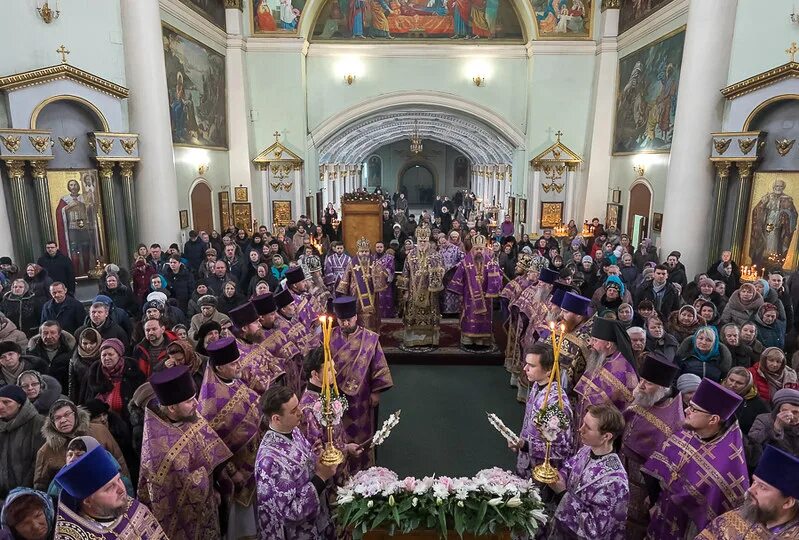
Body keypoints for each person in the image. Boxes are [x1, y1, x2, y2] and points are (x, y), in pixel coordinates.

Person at [642, 377, 749, 538]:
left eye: (694, 409)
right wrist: (656, 502)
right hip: (661, 515)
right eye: (689, 406)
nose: (686, 410)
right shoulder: (685, 434)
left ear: (713, 419)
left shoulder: (728, 464)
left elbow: (716, 515)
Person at [138, 366, 232, 539]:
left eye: (194, 397)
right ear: (172, 408)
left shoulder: (193, 417)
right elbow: (170, 493)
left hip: (209, 507)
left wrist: (217, 485)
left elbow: (213, 449)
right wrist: (206, 481)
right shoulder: (158, 449)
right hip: (182, 520)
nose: (197, 403)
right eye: (189, 401)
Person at [255, 385, 339, 539]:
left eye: (298, 407)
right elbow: (290, 512)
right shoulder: (269, 461)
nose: (300, 413)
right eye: (293, 411)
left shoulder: (294, 431)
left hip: (316, 524)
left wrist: (317, 458)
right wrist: (321, 477)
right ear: (276, 418)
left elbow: (303, 467)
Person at [198, 338, 262, 540]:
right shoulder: (209, 404)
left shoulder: (236, 382)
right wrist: (232, 473)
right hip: (236, 470)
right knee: (243, 523)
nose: (238, 366)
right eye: (233, 363)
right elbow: (213, 445)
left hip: (256, 457)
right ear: (219, 367)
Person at [619, 352, 683, 538]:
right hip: (622, 467)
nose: (642, 385)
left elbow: (669, 464)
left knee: (634, 522)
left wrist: (656, 496)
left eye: (648, 383)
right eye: (642, 380)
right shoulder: (643, 399)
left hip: (644, 481)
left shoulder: (673, 420)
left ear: (662, 388)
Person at [547, 403, 629, 539]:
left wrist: (562, 494)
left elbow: (593, 530)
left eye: (588, 428)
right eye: (583, 423)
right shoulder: (586, 449)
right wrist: (556, 475)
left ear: (606, 436)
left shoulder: (615, 482)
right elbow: (568, 468)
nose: (580, 429)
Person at [329, 297, 393, 471]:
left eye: (348, 319)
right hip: (335, 396)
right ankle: (340, 468)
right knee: (337, 431)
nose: (345, 323)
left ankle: (364, 466)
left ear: (356, 317)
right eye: (342, 320)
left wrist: (376, 392)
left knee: (362, 431)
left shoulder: (369, 339)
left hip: (362, 397)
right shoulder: (329, 335)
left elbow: (378, 366)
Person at [53, 446, 168, 538]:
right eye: (109, 488)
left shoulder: (135, 509)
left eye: (118, 480)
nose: (121, 489)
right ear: (87, 501)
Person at [697, 444, 799, 539]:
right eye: (754, 482)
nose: (750, 489)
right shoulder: (735, 518)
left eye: (762, 487)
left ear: (788, 502)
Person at [33, 398, 128, 492]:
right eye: (57, 418)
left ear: (76, 414)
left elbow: (120, 462)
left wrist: (127, 493)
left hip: (109, 493)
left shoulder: (100, 431)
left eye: (67, 414)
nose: (63, 420)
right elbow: (40, 486)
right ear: (52, 422)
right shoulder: (46, 451)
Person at [510, 342, 573, 480]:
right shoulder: (537, 386)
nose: (525, 368)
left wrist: (526, 445)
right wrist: (519, 444)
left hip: (542, 474)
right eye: (526, 364)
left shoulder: (555, 404)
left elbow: (561, 449)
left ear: (549, 370)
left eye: (532, 366)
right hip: (526, 465)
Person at [573, 317, 639, 426]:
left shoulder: (622, 369)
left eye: (595, 340)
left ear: (608, 344)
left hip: (602, 427)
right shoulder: (598, 359)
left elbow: (612, 406)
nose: (591, 344)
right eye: (591, 339)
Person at [447, 234, 503, 350]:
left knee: (484, 318)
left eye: (481, 249)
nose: (479, 251)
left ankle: (482, 341)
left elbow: (498, 277)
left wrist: (496, 275)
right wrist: (459, 292)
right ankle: (468, 339)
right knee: (470, 316)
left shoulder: (490, 262)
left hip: (486, 297)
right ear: (473, 248)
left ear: (484, 249)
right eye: (476, 249)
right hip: (469, 297)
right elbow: (458, 277)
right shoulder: (465, 262)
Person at [397, 225, 445, 348]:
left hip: (430, 293)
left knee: (430, 315)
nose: (423, 243)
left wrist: (435, 271)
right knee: (413, 315)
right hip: (413, 292)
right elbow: (405, 273)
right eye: (420, 241)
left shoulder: (435, 255)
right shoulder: (410, 255)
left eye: (425, 240)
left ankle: (430, 340)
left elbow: (442, 269)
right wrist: (405, 291)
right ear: (417, 241)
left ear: (428, 240)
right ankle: (413, 339)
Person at [81, 339, 145, 425]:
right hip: (101, 423)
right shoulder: (95, 373)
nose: (107, 358)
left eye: (110, 354)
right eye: (103, 355)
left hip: (129, 422)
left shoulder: (133, 371)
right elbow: (85, 398)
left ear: (119, 355)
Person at [252, 293, 304, 396]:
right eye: (272, 314)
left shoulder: (279, 325)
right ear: (261, 318)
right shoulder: (257, 339)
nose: (276, 316)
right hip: (280, 387)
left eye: (275, 312)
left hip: (297, 377)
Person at [229, 302, 285, 394]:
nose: (260, 325)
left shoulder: (254, 343)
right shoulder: (238, 354)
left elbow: (276, 369)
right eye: (255, 322)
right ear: (244, 328)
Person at [336, 237, 389, 333]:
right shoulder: (352, 263)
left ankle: (371, 336)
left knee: (371, 315)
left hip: (372, 296)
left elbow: (384, 274)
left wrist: (373, 276)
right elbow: (345, 278)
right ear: (358, 252)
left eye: (366, 251)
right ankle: (358, 335)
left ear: (369, 251)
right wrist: (343, 291)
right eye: (362, 251)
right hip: (356, 297)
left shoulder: (374, 262)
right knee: (357, 315)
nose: (364, 253)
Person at [0, 385, 45, 498]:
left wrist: (24, 491)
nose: (0, 406)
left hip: (28, 495)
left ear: (19, 403)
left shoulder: (39, 424)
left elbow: (39, 462)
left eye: (7, 402)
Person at [747, 388, 799, 459]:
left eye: (795, 412)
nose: (790, 415)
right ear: (779, 410)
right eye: (784, 410)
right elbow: (753, 442)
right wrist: (776, 429)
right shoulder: (764, 420)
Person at [25, 321, 74, 389]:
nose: (48, 336)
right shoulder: (32, 354)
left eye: (52, 333)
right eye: (45, 333)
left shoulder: (70, 352)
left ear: (59, 334)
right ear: (40, 335)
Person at [723, 366, 771, 436]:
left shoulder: (758, 404)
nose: (733, 385)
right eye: (731, 380)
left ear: (747, 386)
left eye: (739, 383)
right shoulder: (717, 393)